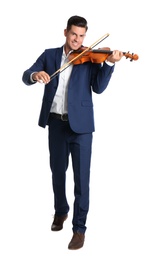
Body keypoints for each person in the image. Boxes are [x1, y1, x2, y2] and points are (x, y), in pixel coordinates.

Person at [22, 15, 123, 250]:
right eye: (73, 34)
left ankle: (79, 229)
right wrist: (35, 75)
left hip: (82, 128)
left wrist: (109, 64)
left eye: (81, 35)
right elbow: (26, 74)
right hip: (56, 124)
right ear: (65, 32)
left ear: (85, 36)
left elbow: (98, 88)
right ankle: (60, 212)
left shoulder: (90, 58)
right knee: (57, 173)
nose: (77, 40)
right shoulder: (49, 55)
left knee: (81, 180)